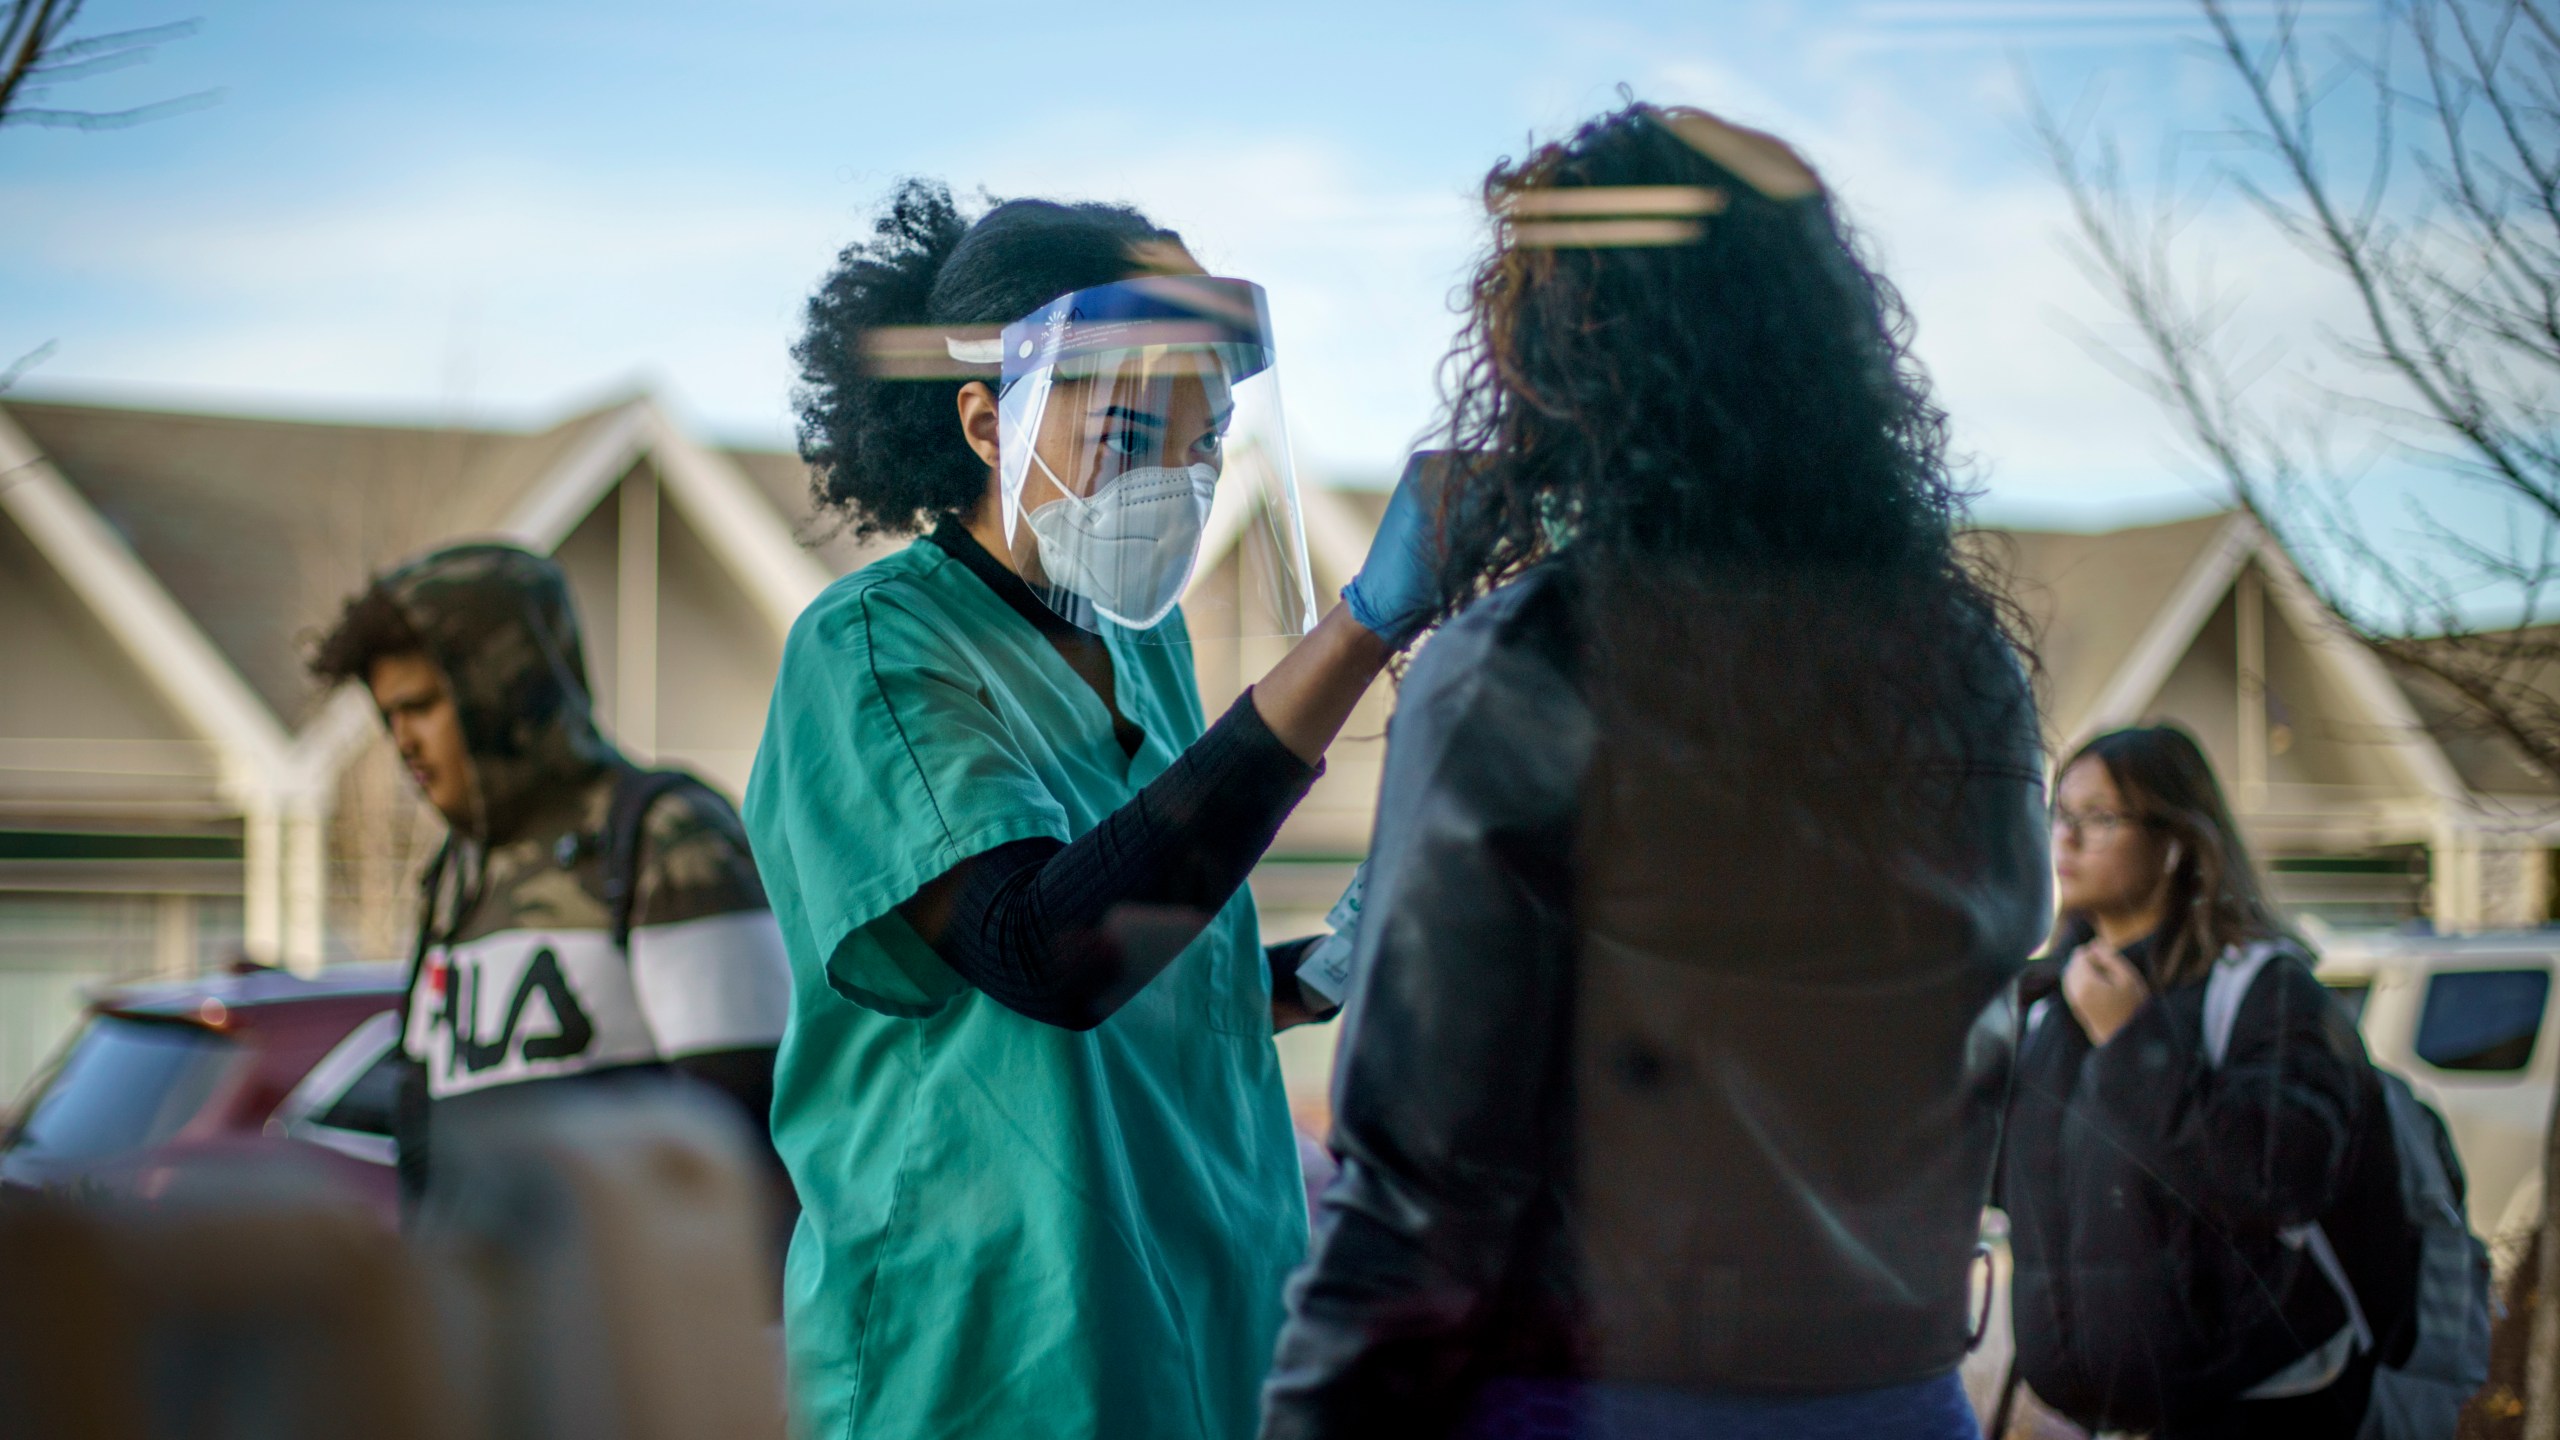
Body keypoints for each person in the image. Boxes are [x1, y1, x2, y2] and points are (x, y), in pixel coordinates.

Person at [1258, 103, 2051, 1440]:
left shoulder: (1532, 659)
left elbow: (1415, 1198)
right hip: (1902, 1396)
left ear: (1552, 359)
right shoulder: (1963, 663)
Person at [747, 182, 1438, 1439]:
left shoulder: (1148, 649)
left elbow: (1153, 971)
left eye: (1204, 441)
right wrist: (1359, 631)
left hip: (1194, 1327)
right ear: (983, 420)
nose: (1176, 482)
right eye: (1132, 431)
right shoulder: (873, 651)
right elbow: (1044, 953)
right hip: (982, 1355)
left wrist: (1323, 973)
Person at [308, 544, 796, 1226]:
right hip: (489, 1325)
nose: (403, 742)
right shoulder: (457, 875)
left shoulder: (666, 836)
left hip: (642, 1323)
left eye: (421, 706)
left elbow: (743, 1139)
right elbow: (423, 1148)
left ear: (506, 688)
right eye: (389, 717)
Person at [2000, 725, 2401, 1438]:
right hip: (2100, 1417)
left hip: (2260, 1409)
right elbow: (2021, 1189)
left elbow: (2277, 1175)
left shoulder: (2262, 989)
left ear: (2177, 841)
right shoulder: (2045, 1002)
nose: (2066, 839)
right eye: (2059, 814)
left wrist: (2131, 1042)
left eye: (2098, 818)